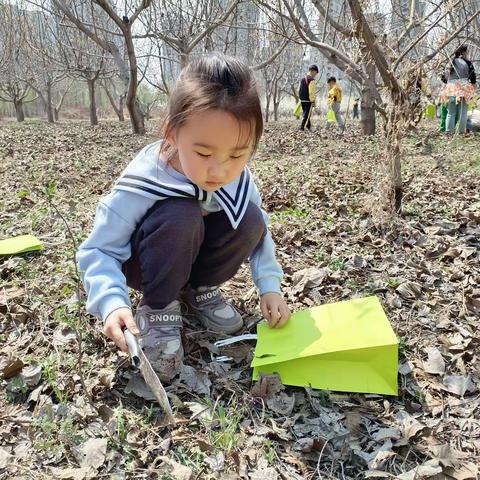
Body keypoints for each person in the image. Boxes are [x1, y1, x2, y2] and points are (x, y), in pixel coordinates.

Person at [77, 53, 291, 381]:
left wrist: (270, 286)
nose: (220, 170)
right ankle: (159, 306)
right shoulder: (146, 178)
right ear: (172, 134)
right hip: (148, 264)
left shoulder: (238, 178)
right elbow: (100, 250)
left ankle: (198, 289)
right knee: (181, 213)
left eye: (237, 154)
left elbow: (259, 237)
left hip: (195, 257)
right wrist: (111, 302)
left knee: (249, 219)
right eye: (204, 153)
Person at [440, 45, 476, 134]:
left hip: (450, 88)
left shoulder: (449, 62)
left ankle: (448, 132)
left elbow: (443, 78)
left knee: (450, 112)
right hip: (464, 88)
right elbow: (473, 78)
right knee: (463, 112)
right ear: (463, 52)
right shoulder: (468, 63)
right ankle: (461, 132)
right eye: (466, 52)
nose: (467, 54)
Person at [298, 64, 318, 131]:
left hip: (302, 100)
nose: (315, 74)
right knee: (306, 115)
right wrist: (313, 101)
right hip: (308, 100)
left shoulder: (303, 79)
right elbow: (311, 92)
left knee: (306, 114)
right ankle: (301, 127)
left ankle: (309, 126)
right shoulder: (311, 80)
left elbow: (298, 89)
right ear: (313, 71)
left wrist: (300, 97)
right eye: (316, 73)